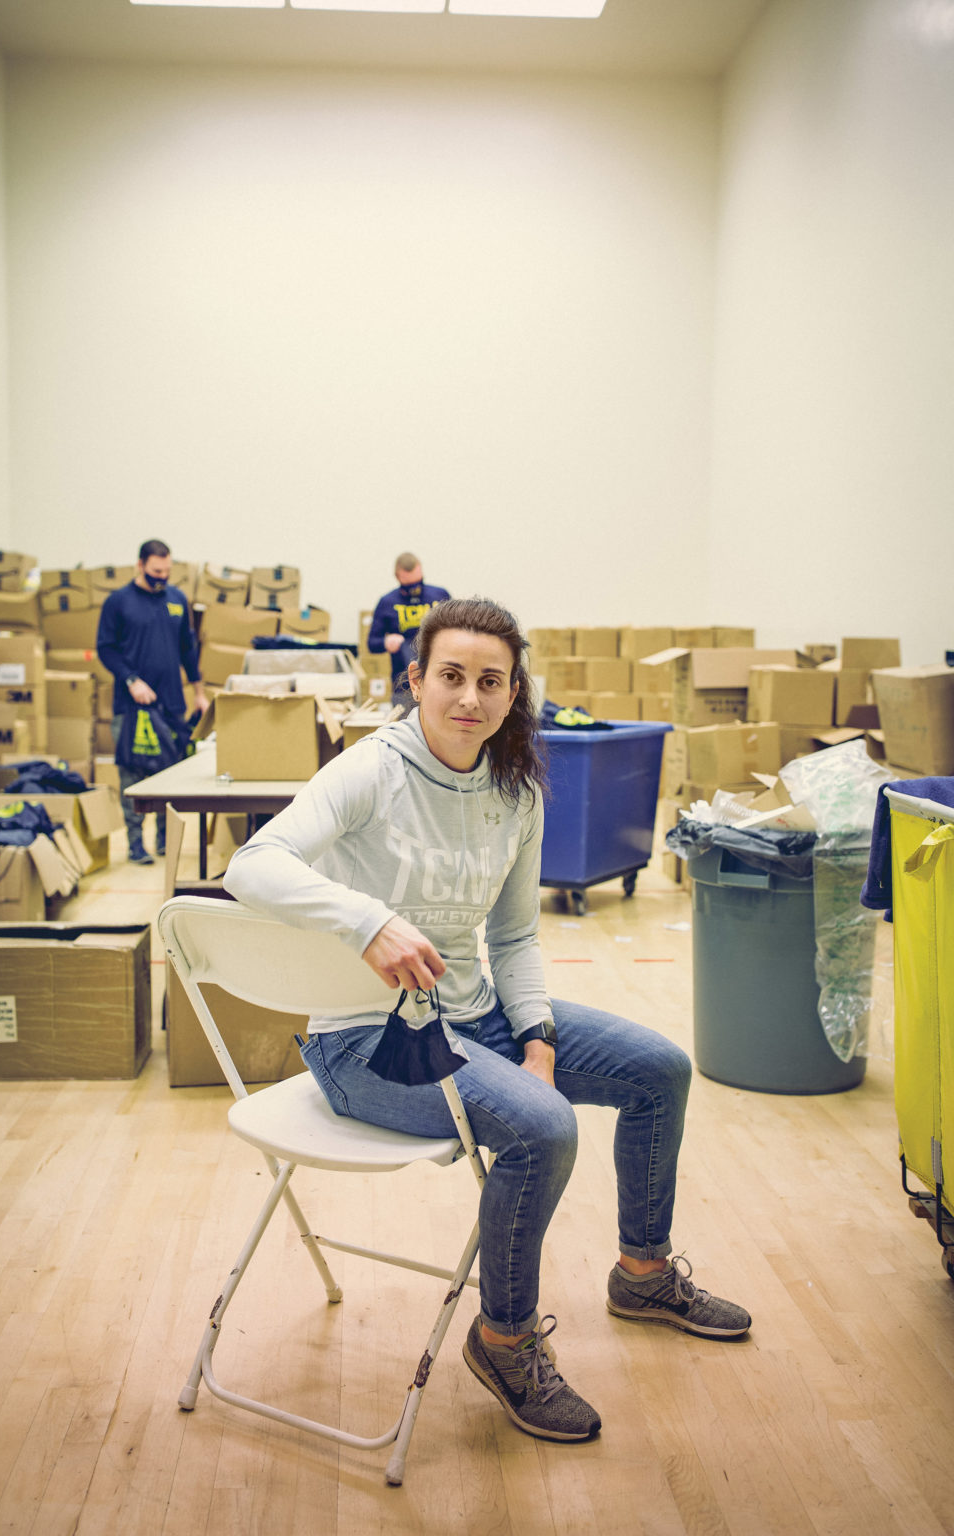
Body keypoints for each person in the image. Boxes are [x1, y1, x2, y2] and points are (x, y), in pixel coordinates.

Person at [223, 597, 751, 1445]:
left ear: (513, 693)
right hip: (364, 1041)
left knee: (660, 1070)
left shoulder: (517, 789)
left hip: (475, 1015)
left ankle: (643, 1273)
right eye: (452, 676)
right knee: (544, 1129)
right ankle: (503, 1342)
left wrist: (536, 1036)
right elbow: (253, 865)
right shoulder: (371, 770)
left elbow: (513, 936)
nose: (469, 697)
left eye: (490, 681)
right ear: (416, 681)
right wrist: (367, 922)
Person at [97, 539, 208, 864]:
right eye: (156, 571)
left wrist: (199, 693)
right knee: (132, 776)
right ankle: (135, 844)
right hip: (132, 708)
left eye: (167, 571)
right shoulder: (118, 602)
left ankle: (164, 841)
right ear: (140, 565)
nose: (162, 577)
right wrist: (131, 680)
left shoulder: (177, 599)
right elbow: (106, 648)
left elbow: (188, 649)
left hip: (171, 705)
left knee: (170, 777)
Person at [366, 552, 450, 708]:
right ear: (398, 577)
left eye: (418, 582)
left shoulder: (439, 595)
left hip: (441, 679)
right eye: (409, 585)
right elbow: (372, 643)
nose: (415, 589)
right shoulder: (387, 602)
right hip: (403, 685)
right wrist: (386, 642)